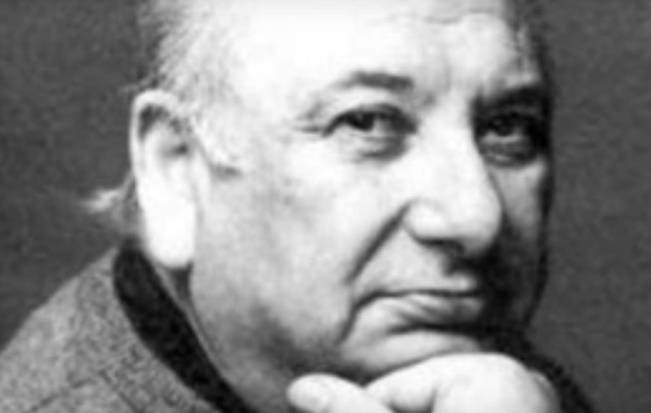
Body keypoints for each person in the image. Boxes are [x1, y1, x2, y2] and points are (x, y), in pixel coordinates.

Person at [0, 0, 594, 412]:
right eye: (367, 122)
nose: (477, 217)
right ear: (177, 170)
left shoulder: (487, 381)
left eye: (508, 128)